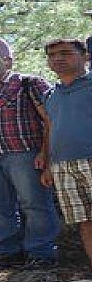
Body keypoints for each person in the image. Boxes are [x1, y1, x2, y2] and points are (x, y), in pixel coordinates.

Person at [0, 46, 60, 269]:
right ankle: (9, 252)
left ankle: (41, 253)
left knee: (34, 203)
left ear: (6, 60)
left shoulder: (28, 83)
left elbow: (51, 120)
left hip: (24, 152)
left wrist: (45, 153)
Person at [41, 38, 92, 270]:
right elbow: (50, 128)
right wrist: (48, 164)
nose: (58, 59)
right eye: (52, 55)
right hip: (62, 166)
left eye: (65, 53)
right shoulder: (51, 94)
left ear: (85, 56)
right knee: (84, 221)